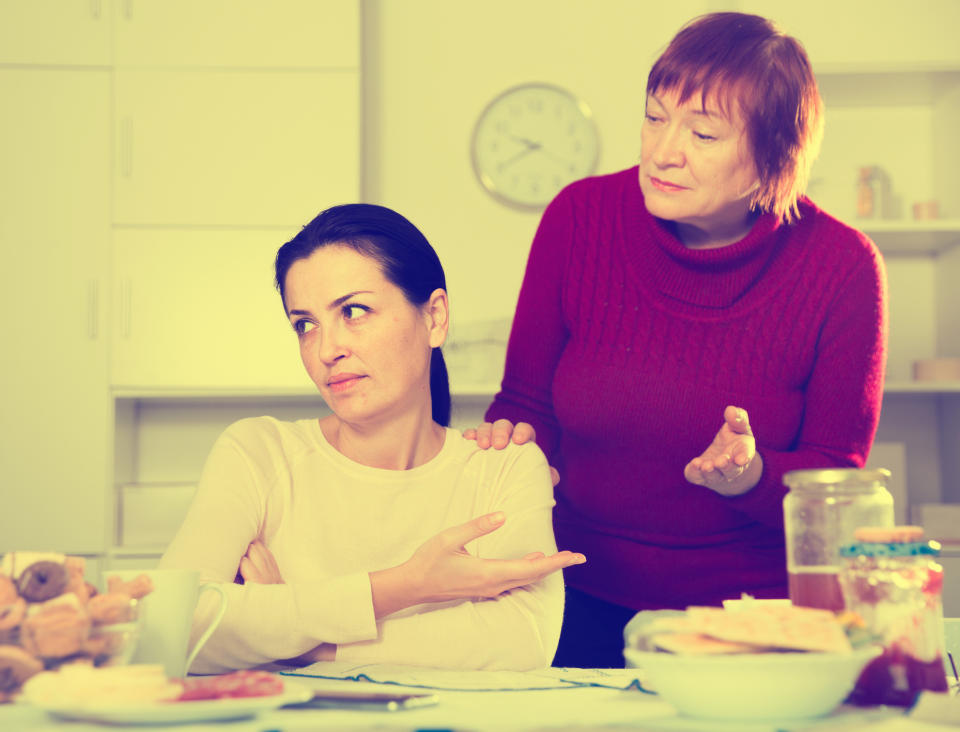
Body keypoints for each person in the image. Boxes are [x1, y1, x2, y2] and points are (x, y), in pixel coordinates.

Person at [467, 12, 888, 668]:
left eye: (704, 132)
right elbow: (525, 403)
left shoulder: (843, 266)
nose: (664, 151)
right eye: (655, 117)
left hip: (751, 624)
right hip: (573, 600)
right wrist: (517, 455)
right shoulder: (579, 220)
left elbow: (835, 482)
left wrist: (749, 476)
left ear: (774, 157)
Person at [160, 203, 585, 674]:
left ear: (435, 318)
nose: (326, 350)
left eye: (354, 311)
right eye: (305, 324)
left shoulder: (504, 465)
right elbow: (172, 625)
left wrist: (302, 641)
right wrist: (405, 585)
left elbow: (523, 642)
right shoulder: (258, 452)